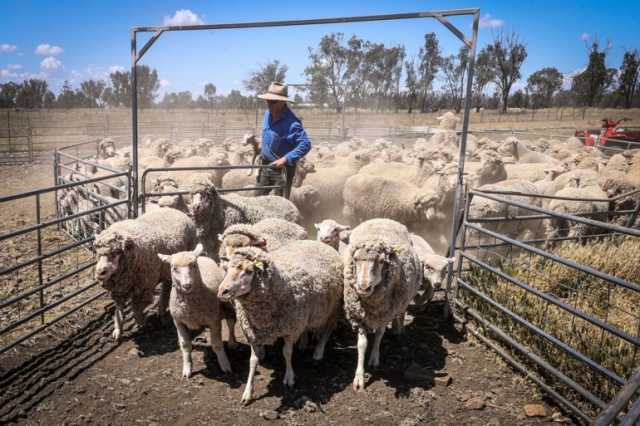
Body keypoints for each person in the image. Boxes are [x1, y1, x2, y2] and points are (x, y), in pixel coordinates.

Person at [256, 82, 311, 197]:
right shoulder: (267, 115)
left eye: (272, 101)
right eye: (267, 100)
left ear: (282, 102)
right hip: (265, 166)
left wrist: (285, 159)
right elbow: (268, 133)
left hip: (282, 171)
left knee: (279, 205)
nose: (268, 104)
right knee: (257, 200)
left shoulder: (292, 123)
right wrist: (262, 142)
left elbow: (305, 144)